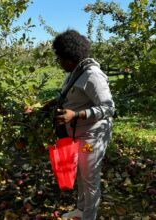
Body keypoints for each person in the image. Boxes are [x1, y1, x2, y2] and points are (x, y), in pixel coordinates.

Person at [46, 29, 115, 220]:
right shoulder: (74, 72)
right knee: (81, 176)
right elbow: (67, 95)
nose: (59, 63)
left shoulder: (93, 75)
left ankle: (89, 216)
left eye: (59, 58)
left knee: (90, 180)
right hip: (78, 133)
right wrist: (48, 105)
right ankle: (81, 209)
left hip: (93, 135)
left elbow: (109, 108)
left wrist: (76, 114)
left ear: (69, 58)